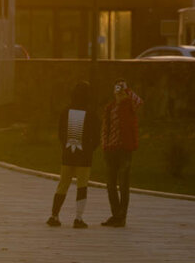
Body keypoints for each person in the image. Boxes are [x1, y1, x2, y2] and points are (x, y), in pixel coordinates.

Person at [47, 81, 100, 229]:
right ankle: (78, 218)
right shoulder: (91, 114)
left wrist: (66, 147)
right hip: (84, 157)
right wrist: (90, 149)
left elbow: (60, 133)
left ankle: (54, 215)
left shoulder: (66, 112)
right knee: (82, 186)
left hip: (68, 155)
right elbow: (97, 136)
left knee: (63, 185)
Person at [101, 79, 143, 228]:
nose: (119, 95)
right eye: (117, 92)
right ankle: (115, 215)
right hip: (111, 149)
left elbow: (139, 102)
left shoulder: (130, 106)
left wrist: (127, 91)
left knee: (123, 184)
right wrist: (104, 145)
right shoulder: (110, 107)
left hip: (124, 149)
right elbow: (106, 128)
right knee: (110, 185)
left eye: (121, 93)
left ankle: (121, 217)